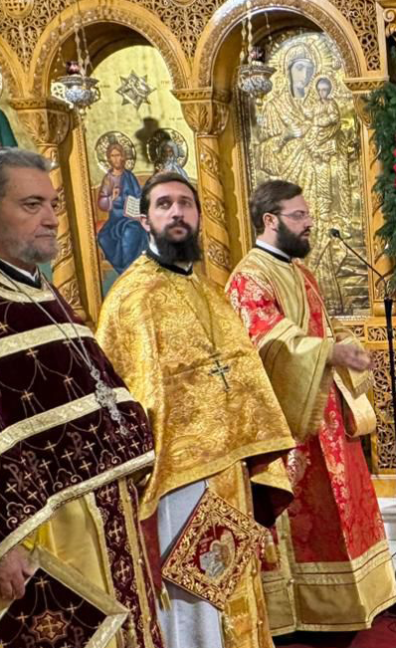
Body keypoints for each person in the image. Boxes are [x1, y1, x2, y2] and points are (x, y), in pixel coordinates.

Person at [96, 171, 297, 648]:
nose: (177, 212)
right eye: (164, 204)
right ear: (145, 219)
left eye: (185, 203)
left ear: (199, 216)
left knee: (231, 584)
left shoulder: (209, 292)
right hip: (174, 479)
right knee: (190, 597)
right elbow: (118, 397)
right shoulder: (131, 299)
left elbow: (241, 376)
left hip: (229, 469)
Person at [0, 148, 163, 647]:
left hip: (108, 525)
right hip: (46, 540)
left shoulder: (40, 291)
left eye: (52, 205)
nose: (52, 219)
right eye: (32, 205)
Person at [226, 180, 396, 636]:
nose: (309, 223)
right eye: (299, 215)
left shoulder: (300, 271)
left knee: (345, 508)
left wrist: (346, 344)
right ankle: (304, 611)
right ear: (270, 220)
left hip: (327, 412)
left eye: (307, 215)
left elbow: (325, 325)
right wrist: (328, 352)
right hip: (291, 423)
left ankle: (356, 599)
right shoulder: (249, 277)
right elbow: (266, 343)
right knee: (305, 519)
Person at [96, 142, 147, 274]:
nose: (116, 159)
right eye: (113, 156)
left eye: (118, 155)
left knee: (131, 232)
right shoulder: (108, 179)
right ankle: (124, 271)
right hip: (116, 219)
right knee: (104, 238)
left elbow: (138, 195)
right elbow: (101, 202)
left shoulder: (129, 176)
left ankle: (130, 269)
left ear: (123, 157)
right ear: (109, 159)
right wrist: (111, 198)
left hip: (132, 217)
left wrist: (138, 204)